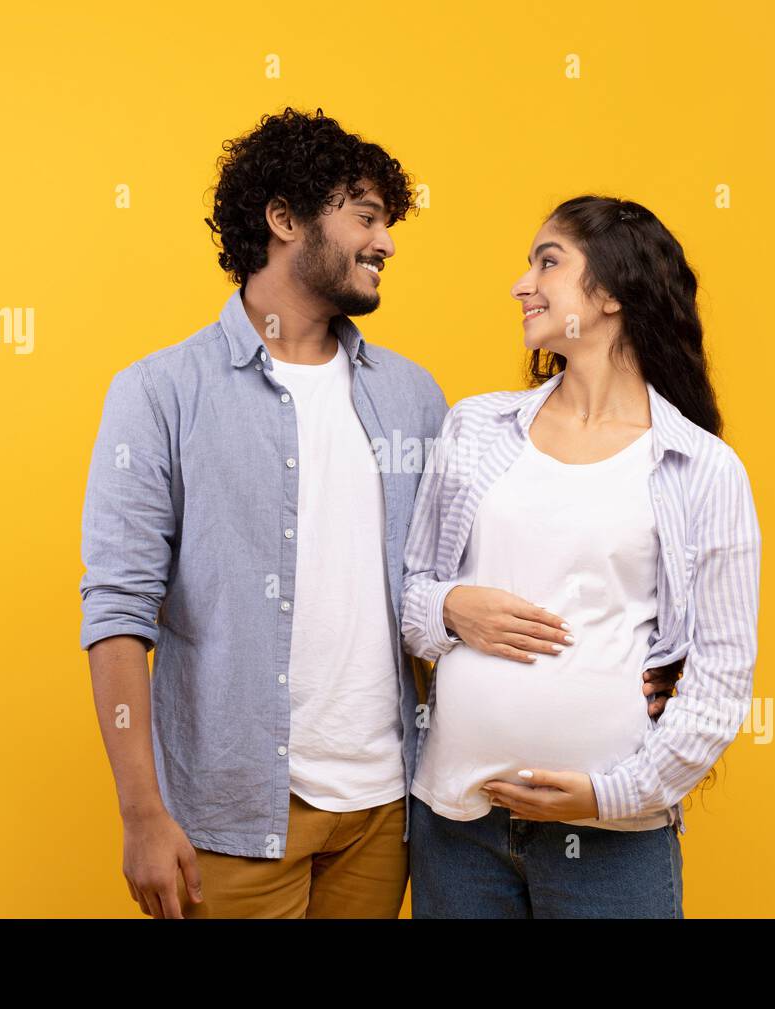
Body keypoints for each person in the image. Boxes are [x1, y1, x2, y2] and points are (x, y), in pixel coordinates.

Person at [79, 107, 449, 918]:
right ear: (284, 219)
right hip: (232, 813)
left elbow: (448, 586)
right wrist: (142, 811)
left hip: (386, 809)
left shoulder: (413, 396)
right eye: (365, 216)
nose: (385, 242)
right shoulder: (160, 393)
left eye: (387, 222)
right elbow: (118, 609)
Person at [400, 195, 763, 918]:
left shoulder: (700, 467)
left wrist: (611, 794)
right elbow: (411, 596)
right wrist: (447, 606)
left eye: (548, 261)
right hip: (456, 827)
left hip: (612, 841)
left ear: (611, 293)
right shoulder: (476, 428)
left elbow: (720, 679)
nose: (520, 283)